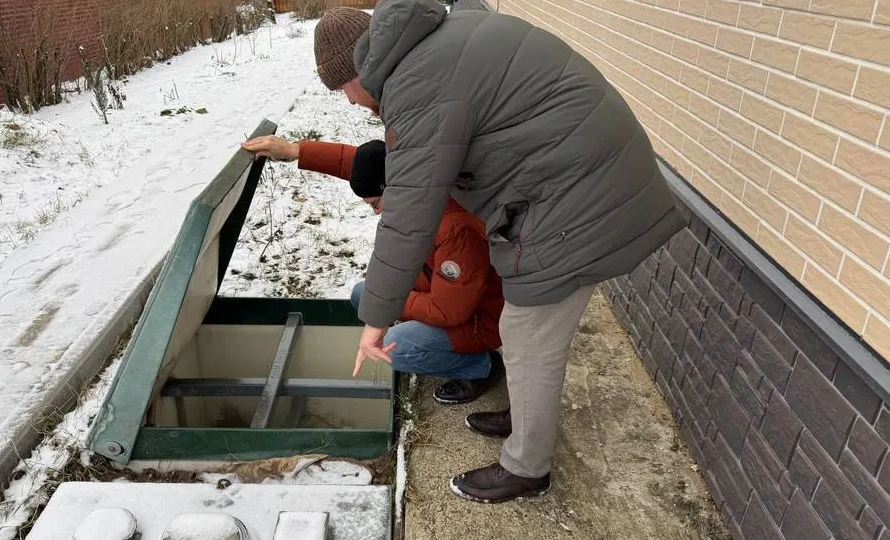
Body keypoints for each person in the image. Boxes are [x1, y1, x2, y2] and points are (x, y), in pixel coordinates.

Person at [310, 0, 687, 504]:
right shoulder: (433, 44)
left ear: (356, 71)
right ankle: (526, 414)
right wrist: (296, 152)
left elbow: (407, 214)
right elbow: (389, 169)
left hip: (578, 197)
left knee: (530, 334)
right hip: (574, 177)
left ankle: (527, 468)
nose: (352, 103)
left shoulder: (419, 85)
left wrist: (377, 317)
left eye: (342, 91)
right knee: (520, 327)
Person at [241, 135, 506, 404]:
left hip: (480, 318)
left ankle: (482, 367)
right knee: (363, 295)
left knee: (399, 349)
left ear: (394, 190)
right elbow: (363, 163)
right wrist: (295, 151)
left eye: (375, 204)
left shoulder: (455, 229)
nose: (377, 213)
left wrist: (390, 304)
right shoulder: (415, 181)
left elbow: (447, 311)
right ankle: (424, 337)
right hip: (439, 289)